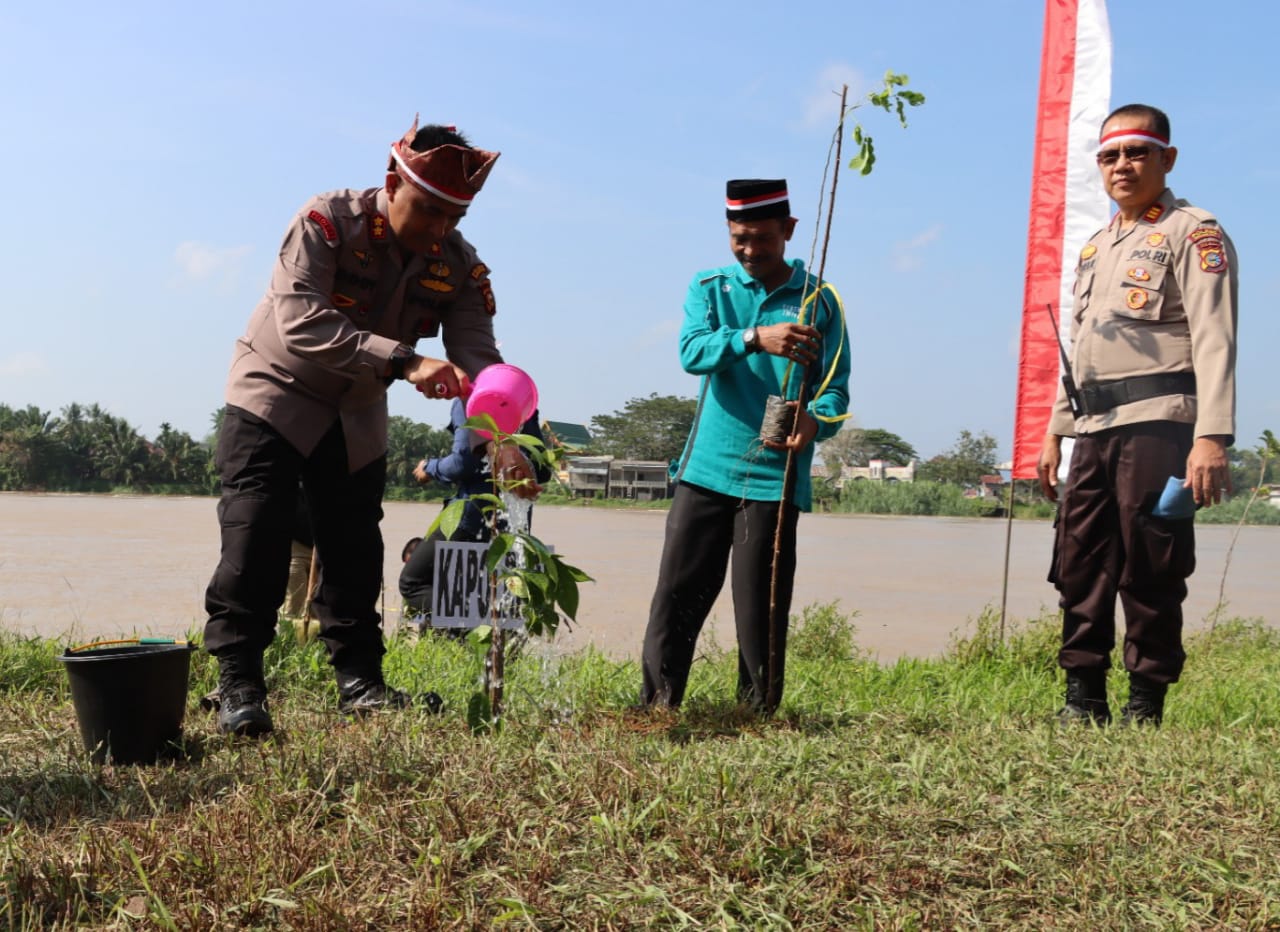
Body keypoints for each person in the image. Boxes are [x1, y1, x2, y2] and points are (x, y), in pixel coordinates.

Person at [204, 117, 540, 737]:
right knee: (256, 537)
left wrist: (507, 439)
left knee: (355, 546)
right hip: (274, 392)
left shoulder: (460, 267)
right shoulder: (326, 222)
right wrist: (406, 360)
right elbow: (300, 319)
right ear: (393, 182)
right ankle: (239, 682)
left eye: (454, 219)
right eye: (429, 211)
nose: (439, 230)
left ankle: (361, 682)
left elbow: (480, 359)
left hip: (356, 408)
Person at [1038, 104, 1239, 726]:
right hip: (1093, 429)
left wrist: (1211, 435)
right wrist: (1054, 433)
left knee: (1152, 562)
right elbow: (1079, 350)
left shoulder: (1192, 230)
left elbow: (1215, 335)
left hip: (1161, 422)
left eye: (1136, 152)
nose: (1121, 166)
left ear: (1166, 159)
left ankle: (1145, 701)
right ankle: (1084, 696)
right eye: (1109, 156)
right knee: (1079, 560)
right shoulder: (1097, 246)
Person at [638, 179, 851, 714]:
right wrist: (757, 336)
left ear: (789, 231)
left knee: (762, 605)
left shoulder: (819, 300)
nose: (751, 250)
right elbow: (691, 351)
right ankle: (657, 705)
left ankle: (756, 712)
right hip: (706, 468)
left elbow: (837, 389)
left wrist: (815, 423)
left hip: (773, 477)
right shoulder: (710, 287)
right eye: (740, 238)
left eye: (762, 238)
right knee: (676, 596)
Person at [398, 398, 547, 630]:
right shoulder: (524, 403)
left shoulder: (469, 400)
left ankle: (475, 628)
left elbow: (462, 462)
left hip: (471, 516)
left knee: (413, 583)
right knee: (494, 587)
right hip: (514, 527)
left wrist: (429, 467)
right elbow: (542, 470)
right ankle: (489, 637)